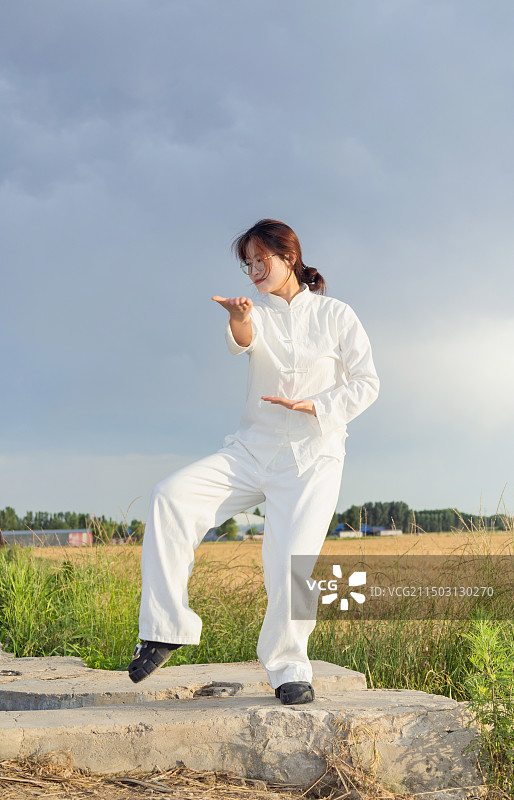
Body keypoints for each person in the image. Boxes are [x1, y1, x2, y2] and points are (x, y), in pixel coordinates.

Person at [128, 219, 380, 705]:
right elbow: (243, 338)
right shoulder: (255, 311)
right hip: (251, 449)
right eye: (248, 263)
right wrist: (238, 316)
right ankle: (164, 628)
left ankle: (289, 668)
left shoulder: (336, 315)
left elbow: (367, 383)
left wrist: (318, 406)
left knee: (291, 563)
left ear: (290, 256)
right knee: (170, 497)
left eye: (262, 259)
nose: (255, 270)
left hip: (312, 457)